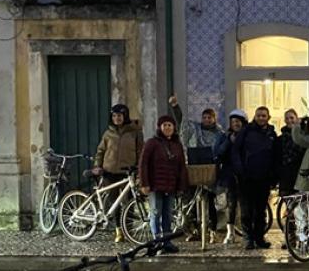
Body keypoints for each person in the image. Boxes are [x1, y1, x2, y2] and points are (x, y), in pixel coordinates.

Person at [169, 94, 225, 242]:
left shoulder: (220, 134)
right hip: (194, 169)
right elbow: (181, 122)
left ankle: (212, 230)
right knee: (192, 201)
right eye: (205, 117)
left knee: (211, 203)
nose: (207, 120)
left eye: (210, 118)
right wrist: (175, 107)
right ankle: (194, 230)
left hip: (210, 171)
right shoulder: (194, 129)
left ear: (214, 118)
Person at [92, 103, 144, 243]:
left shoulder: (135, 132)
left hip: (127, 172)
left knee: (129, 202)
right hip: (110, 171)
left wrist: (139, 168)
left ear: (125, 116)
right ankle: (118, 231)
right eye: (114, 116)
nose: (117, 118)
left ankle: (129, 230)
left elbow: (141, 151)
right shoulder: (108, 133)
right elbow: (100, 151)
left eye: (119, 116)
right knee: (114, 202)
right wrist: (97, 165)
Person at [138, 115, 188, 252]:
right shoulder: (152, 143)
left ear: (174, 128)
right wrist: (144, 183)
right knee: (155, 213)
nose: (167, 127)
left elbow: (181, 166)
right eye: (164, 125)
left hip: (171, 185)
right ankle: (157, 241)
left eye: (169, 125)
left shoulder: (177, 145)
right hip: (155, 185)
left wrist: (181, 186)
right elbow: (143, 163)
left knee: (168, 215)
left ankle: (167, 242)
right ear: (160, 127)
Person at [232, 106, 278, 250]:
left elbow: (275, 156)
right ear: (255, 116)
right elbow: (235, 151)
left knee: (260, 210)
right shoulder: (246, 131)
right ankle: (247, 238)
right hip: (246, 177)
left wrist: (273, 176)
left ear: (268, 117)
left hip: (264, 178)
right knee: (246, 210)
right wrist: (240, 170)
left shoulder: (271, 133)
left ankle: (259, 238)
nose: (261, 118)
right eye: (258, 115)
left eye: (264, 116)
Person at [213, 109, 247, 245]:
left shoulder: (248, 135)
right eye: (233, 122)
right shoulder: (224, 136)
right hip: (229, 174)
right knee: (231, 204)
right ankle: (230, 232)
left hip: (245, 173)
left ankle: (246, 231)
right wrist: (229, 141)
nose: (235, 124)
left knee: (245, 204)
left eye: (238, 122)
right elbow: (217, 153)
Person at [277, 109, 306, 197]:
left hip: (301, 174)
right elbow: (278, 158)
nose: (289, 120)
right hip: (286, 176)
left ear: (297, 118)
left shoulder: (304, 135)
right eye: (287, 118)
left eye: (292, 118)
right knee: (289, 205)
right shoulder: (280, 139)